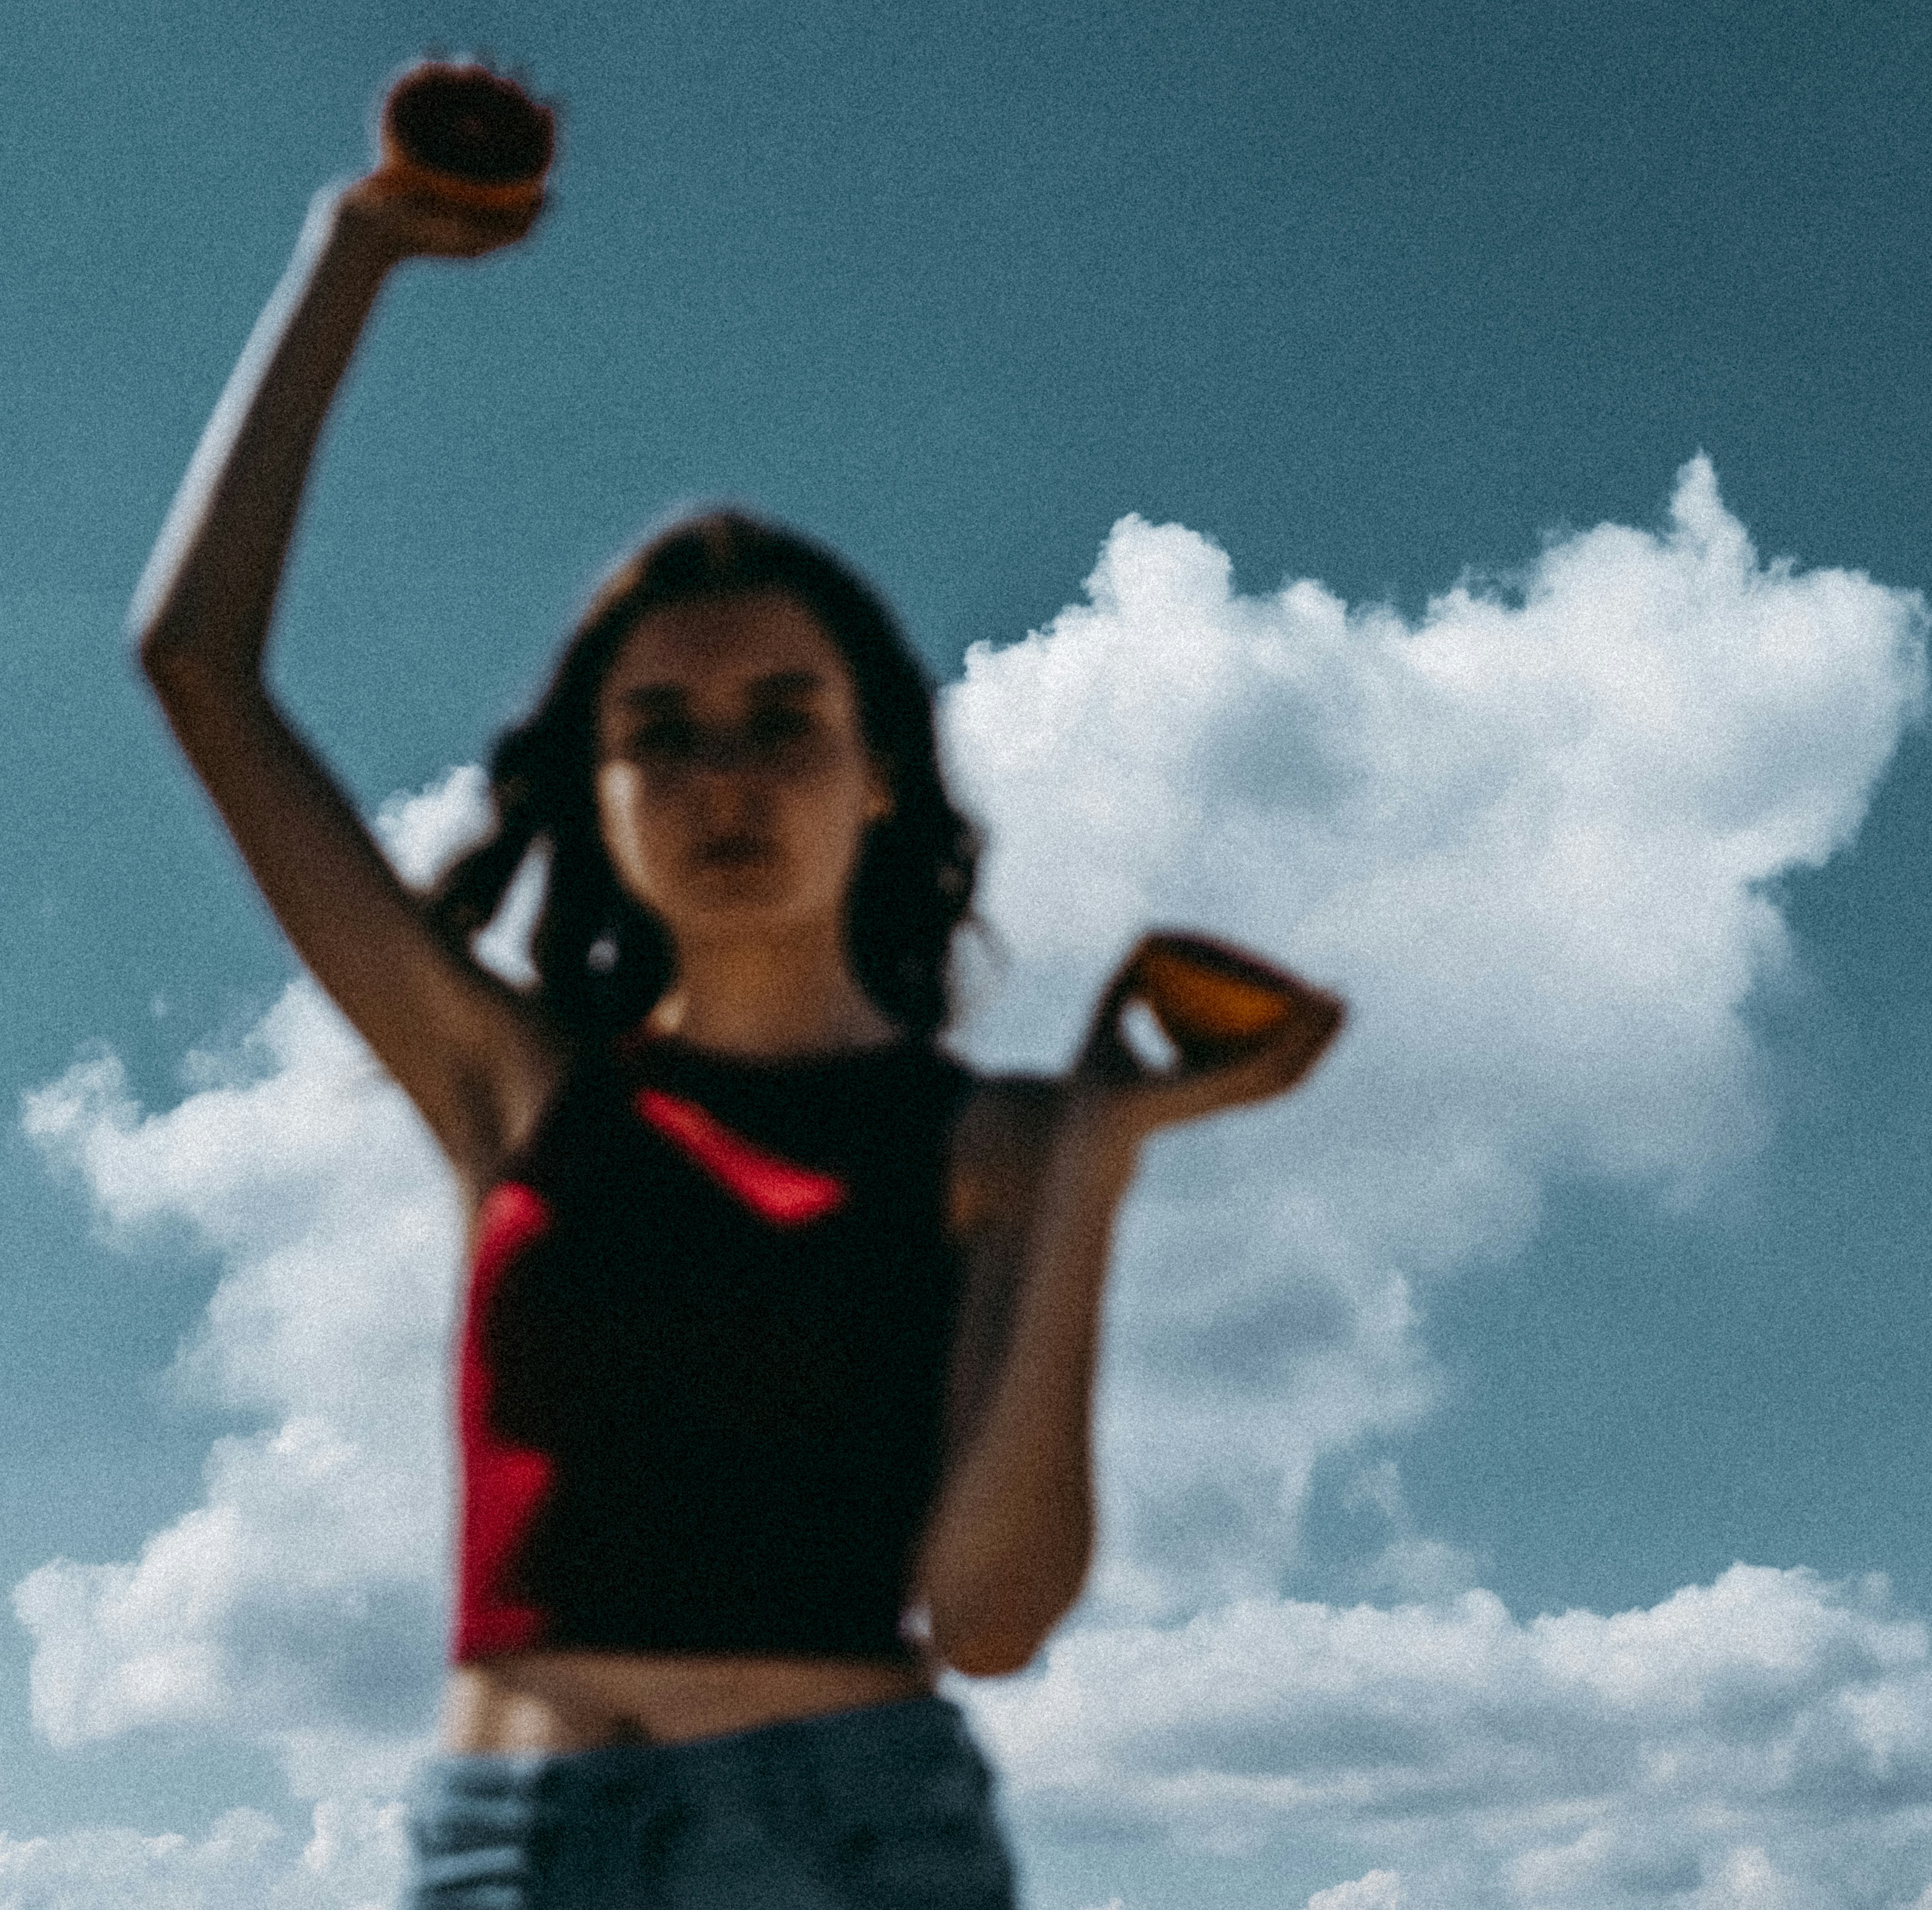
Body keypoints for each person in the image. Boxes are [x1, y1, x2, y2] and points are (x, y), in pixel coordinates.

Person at [129, 138, 1343, 1910]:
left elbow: (993, 1620)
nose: (726, 776)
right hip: (508, 1845)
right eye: (663, 733)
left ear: (876, 782)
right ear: (599, 796)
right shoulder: (514, 1085)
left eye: (785, 720)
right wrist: (352, 252)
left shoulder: (989, 1143)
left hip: (847, 1829)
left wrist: (1096, 1152)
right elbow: (198, 668)